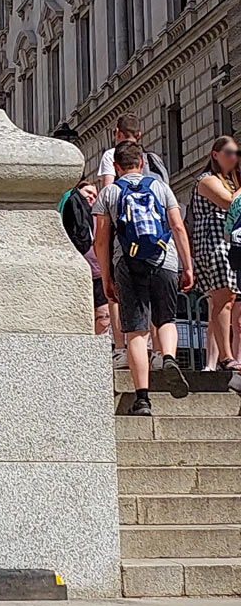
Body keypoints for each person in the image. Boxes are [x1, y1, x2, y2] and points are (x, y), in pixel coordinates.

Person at [94, 139, 193, 414]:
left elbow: (100, 241)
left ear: (116, 166)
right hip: (164, 259)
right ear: (142, 164)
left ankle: (142, 398)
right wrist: (187, 266)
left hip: (127, 262)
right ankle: (169, 357)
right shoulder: (161, 188)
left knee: (136, 332)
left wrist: (106, 277)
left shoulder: (109, 193)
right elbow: (177, 227)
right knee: (166, 319)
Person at [98, 113, 169, 369]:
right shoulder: (153, 159)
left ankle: (121, 349)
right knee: (154, 298)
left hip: (125, 241)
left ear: (116, 132)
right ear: (139, 135)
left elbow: (107, 193)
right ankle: (159, 353)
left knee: (120, 297)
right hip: (156, 242)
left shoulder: (111, 156)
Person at [188, 136, 241, 372]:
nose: (234, 157)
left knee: (228, 299)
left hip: (229, 242)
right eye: (229, 152)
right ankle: (225, 357)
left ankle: (226, 356)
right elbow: (229, 202)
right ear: (215, 154)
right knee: (223, 298)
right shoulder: (206, 180)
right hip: (214, 241)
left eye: (236, 153)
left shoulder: (231, 182)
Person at [60, 177, 111, 335]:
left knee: (104, 315)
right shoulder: (71, 209)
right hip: (81, 273)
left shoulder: (98, 217)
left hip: (99, 274)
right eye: (88, 192)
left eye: (95, 195)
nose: (92, 196)